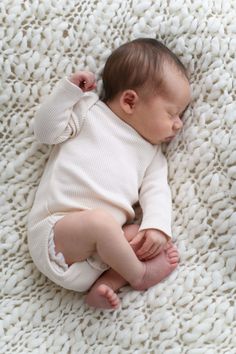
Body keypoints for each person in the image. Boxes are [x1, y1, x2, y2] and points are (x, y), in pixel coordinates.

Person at [27, 38, 191, 310]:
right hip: (57, 235)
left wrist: (157, 226)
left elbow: (158, 192)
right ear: (129, 101)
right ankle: (138, 275)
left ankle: (107, 284)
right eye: (172, 113)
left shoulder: (152, 154)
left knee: (137, 234)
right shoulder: (89, 112)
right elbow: (44, 132)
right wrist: (68, 94)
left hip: (102, 254)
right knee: (102, 224)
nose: (179, 124)